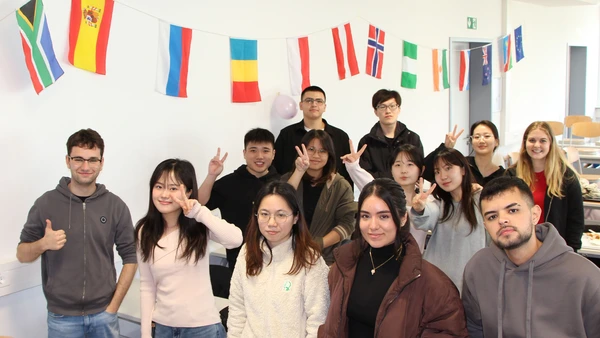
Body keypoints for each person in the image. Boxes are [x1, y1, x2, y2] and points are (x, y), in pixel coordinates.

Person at [16, 129, 137, 338]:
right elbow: (22, 253)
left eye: (92, 160)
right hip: (62, 318)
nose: (85, 167)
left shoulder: (115, 206)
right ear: (67, 160)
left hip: (104, 315)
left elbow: (131, 257)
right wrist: (43, 244)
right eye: (78, 159)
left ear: (101, 163)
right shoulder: (46, 204)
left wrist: (113, 307)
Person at [319, 178, 468, 338]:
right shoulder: (344, 265)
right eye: (365, 216)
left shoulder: (430, 282)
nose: (373, 225)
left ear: (403, 218)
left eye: (384, 217)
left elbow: (450, 331)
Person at [462, 176, 600, 338]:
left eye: (512, 210)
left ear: (535, 215)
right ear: (486, 226)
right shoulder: (479, 268)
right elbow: (474, 328)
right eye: (492, 216)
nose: (502, 220)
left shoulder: (585, 277)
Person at [136, 159, 243, 338]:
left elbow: (235, 239)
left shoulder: (199, 224)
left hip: (202, 328)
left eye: (173, 188)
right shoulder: (144, 231)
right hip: (163, 328)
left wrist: (199, 212)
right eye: (159, 186)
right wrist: (145, 332)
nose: (164, 194)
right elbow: (147, 285)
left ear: (188, 191)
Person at [228, 181, 330, 338]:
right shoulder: (247, 252)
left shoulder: (310, 260)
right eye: (264, 214)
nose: (271, 223)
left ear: (295, 217)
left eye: (281, 215)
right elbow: (237, 309)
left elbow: (318, 321)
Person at [197, 128, 280, 270]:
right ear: (244, 153)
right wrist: (211, 175)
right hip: (238, 261)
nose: (259, 156)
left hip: (277, 260)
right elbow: (198, 204)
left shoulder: (282, 183)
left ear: (273, 154)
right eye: (253, 150)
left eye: (265, 150)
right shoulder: (229, 183)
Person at [410, 148, 488, 292]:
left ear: (463, 170)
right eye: (437, 171)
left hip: (471, 284)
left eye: (448, 168)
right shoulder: (440, 203)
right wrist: (420, 208)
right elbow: (426, 217)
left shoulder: (481, 199)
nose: (443, 176)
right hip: (436, 283)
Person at [506, 121, 584, 252]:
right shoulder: (511, 175)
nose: (537, 145)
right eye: (532, 140)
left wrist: (572, 251)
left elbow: (576, 219)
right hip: (519, 248)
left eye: (543, 141)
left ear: (551, 144)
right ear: (525, 143)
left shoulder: (566, 177)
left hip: (554, 249)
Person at [284, 130, 356, 264]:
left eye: (323, 151)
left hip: (326, 259)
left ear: (330, 155)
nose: (316, 155)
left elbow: (347, 224)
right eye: (311, 149)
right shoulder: (288, 179)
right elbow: (280, 204)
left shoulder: (340, 186)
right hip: (287, 256)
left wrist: (318, 243)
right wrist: (299, 171)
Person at [342, 142, 428, 252]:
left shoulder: (428, 200)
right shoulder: (383, 194)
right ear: (391, 169)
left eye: (410, 164)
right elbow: (368, 182)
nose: (403, 170)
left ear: (421, 169)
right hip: (383, 260)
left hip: (414, 262)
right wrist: (353, 166)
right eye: (398, 165)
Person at [274, 85, 353, 188]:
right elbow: (277, 167)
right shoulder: (287, 134)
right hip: (293, 194)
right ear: (301, 105)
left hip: (330, 196)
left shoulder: (340, 136)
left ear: (324, 107)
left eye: (319, 101)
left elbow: (346, 174)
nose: (314, 104)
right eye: (309, 100)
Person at [357, 89, 423, 179]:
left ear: (399, 109)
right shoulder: (366, 142)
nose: (388, 111)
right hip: (379, 191)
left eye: (392, 106)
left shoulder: (412, 138)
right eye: (382, 107)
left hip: (408, 191)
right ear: (375, 111)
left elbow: (419, 168)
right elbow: (365, 176)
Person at [424, 121, 505, 186]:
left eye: (487, 136)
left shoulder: (503, 175)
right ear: (471, 142)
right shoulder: (461, 163)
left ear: (496, 142)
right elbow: (425, 171)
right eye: (477, 137)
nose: (481, 141)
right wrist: (445, 148)